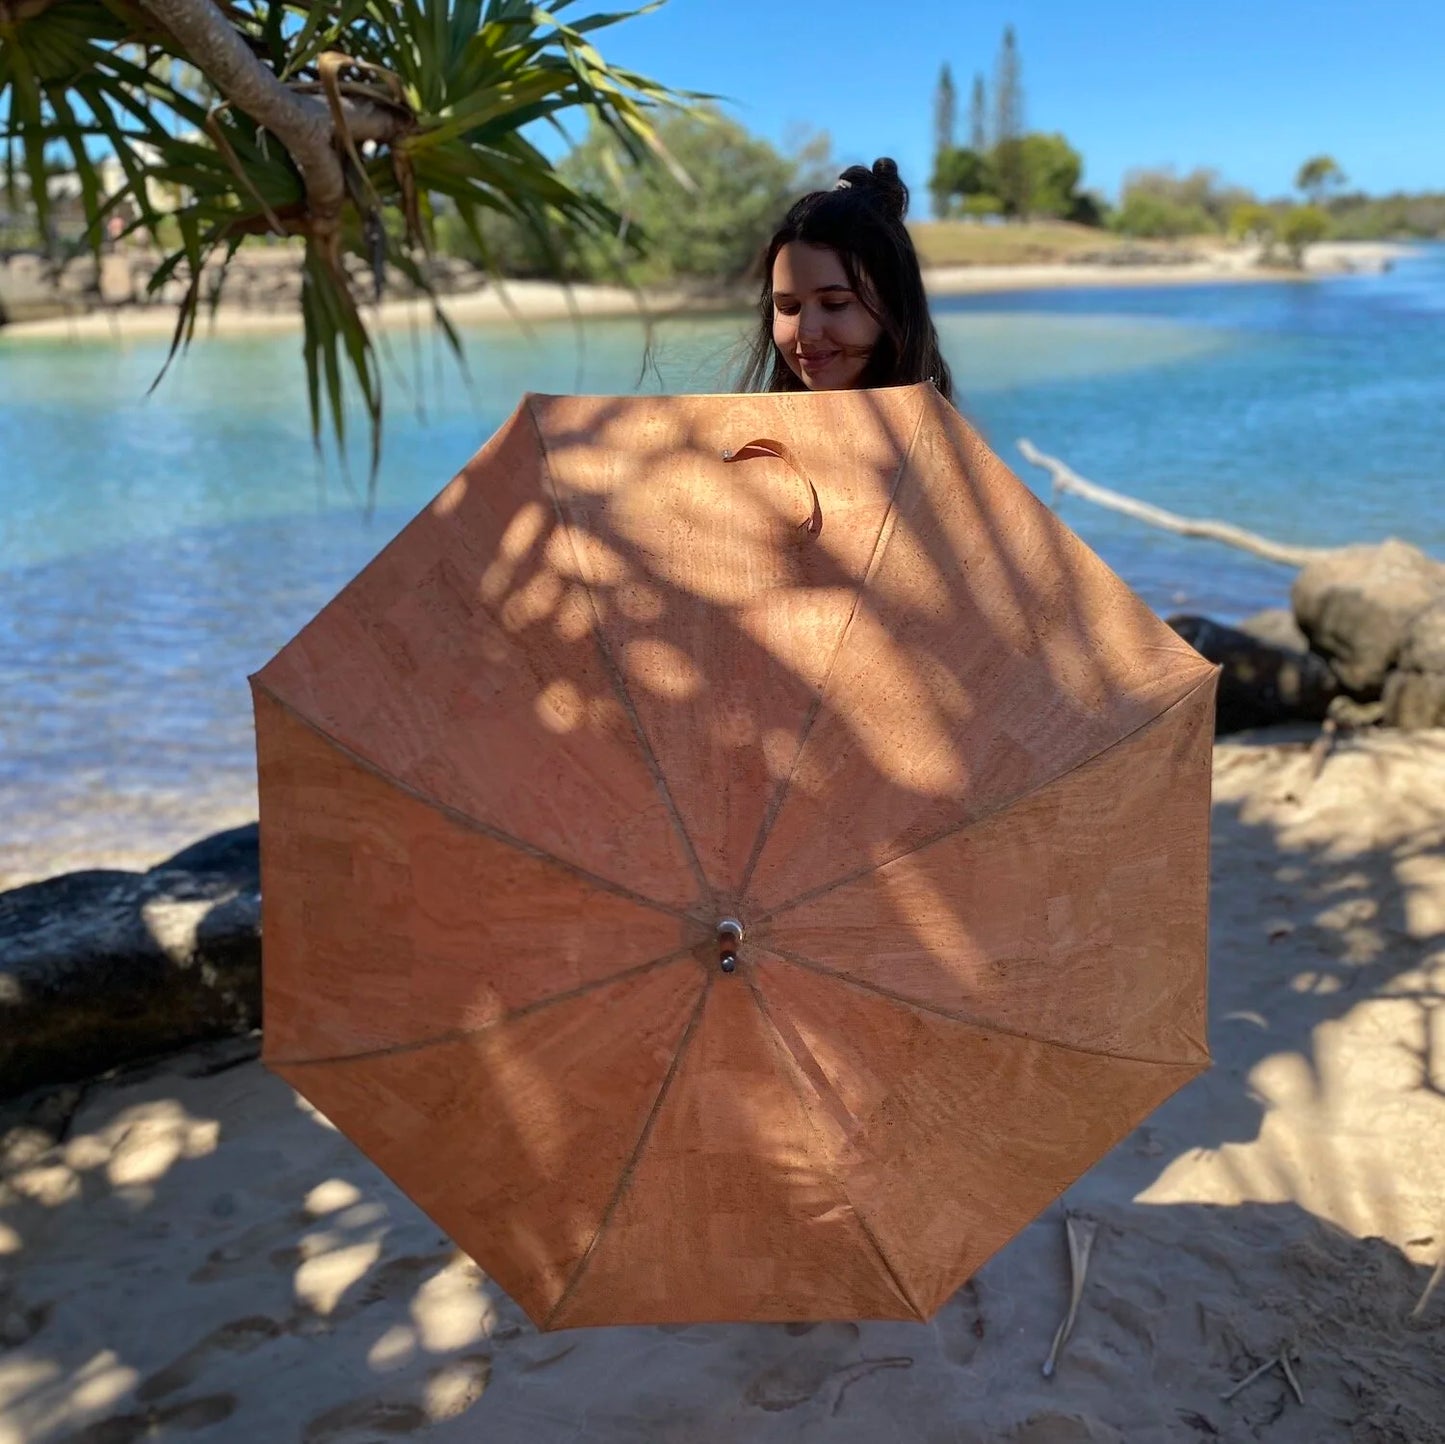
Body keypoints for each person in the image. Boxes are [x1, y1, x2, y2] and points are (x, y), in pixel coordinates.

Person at [739, 157, 954, 402]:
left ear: (893, 306)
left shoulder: (938, 439)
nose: (807, 333)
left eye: (835, 304)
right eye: (788, 308)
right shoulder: (749, 434)